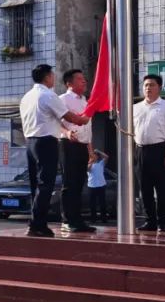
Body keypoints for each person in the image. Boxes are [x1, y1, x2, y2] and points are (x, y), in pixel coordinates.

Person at [19, 63, 91, 237]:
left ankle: (38, 222)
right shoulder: (48, 95)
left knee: (36, 185)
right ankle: (37, 225)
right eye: (52, 75)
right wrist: (84, 119)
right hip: (45, 142)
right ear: (47, 77)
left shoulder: (27, 97)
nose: (53, 78)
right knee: (46, 185)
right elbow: (69, 117)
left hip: (30, 143)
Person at [134, 73, 165, 232]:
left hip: (159, 150)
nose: (148, 88)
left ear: (159, 87)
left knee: (161, 189)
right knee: (145, 189)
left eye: (152, 85)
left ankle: (162, 221)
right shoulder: (135, 107)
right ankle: (150, 221)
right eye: (146, 85)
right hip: (140, 151)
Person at [59, 69, 96, 233]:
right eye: (80, 79)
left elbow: (88, 127)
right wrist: (66, 132)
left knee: (80, 184)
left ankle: (78, 220)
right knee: (70, 183)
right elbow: (55, 121)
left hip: (82, 145)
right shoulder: (62, 99)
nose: (84, 81)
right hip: (68, 144)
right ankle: (67, 220)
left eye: (84, 79)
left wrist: (90, 150)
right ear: (69, 83)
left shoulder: (85, 101)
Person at [87, 150, 109, 224]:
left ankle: (104, 218)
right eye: (93, 155)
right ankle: (93, 219)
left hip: (101, 185)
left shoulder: (101, 163)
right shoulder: (89, 164)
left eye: (95, 156)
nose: (94, 157)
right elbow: (88, 169)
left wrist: (98, 151)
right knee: (92, 204)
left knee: (102, 203)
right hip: (91, 186)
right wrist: (91, 161)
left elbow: (106, 157)